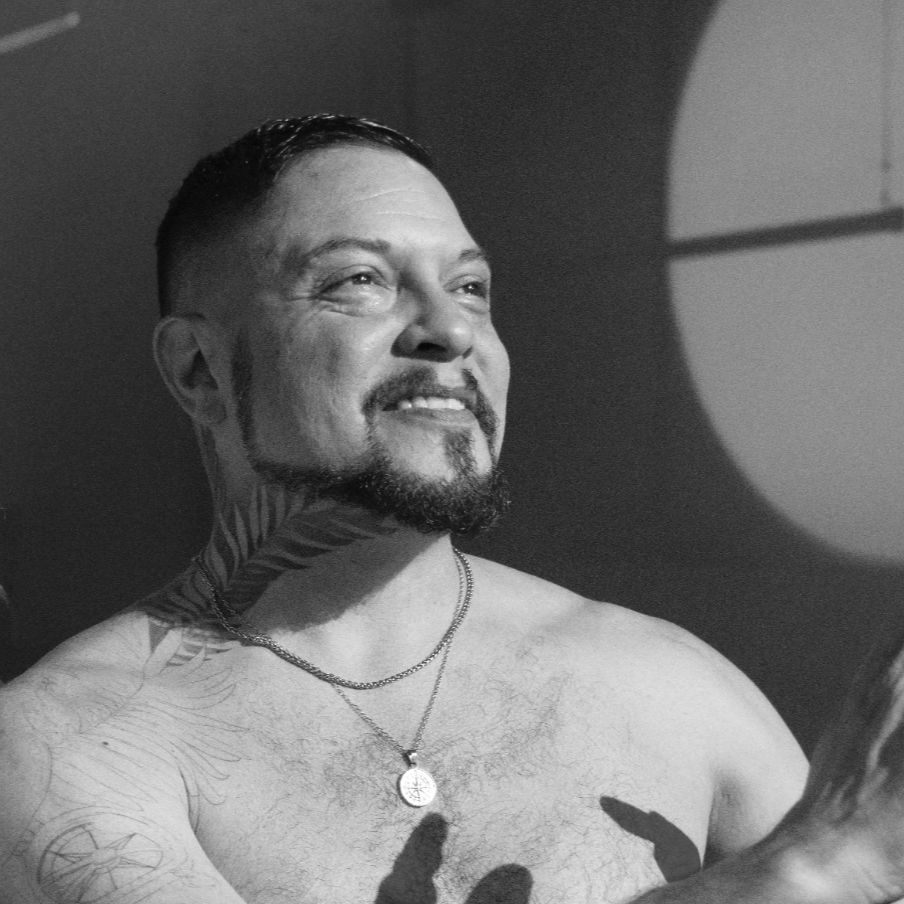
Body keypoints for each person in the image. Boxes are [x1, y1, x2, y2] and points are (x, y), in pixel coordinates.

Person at [1, 114, 904, 904]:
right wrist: (797, 878)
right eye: (360, 280)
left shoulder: (670, 688)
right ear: (198, 370)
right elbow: (821, 872)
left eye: (470, 287)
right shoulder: (64, 743)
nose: (451, 329)